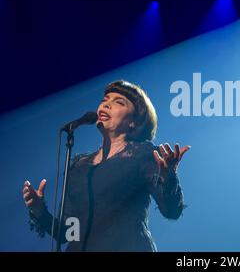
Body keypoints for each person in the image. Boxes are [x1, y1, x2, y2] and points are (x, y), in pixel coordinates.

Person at [22, 80, 189, 251]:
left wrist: (168, 178)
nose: (107, 105)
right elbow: (67, 232)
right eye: (105, 100)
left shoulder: (143, 154)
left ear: (134, 122)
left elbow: (171, 211)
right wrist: (38, 210)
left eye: (118, 102)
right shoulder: (79, 166)